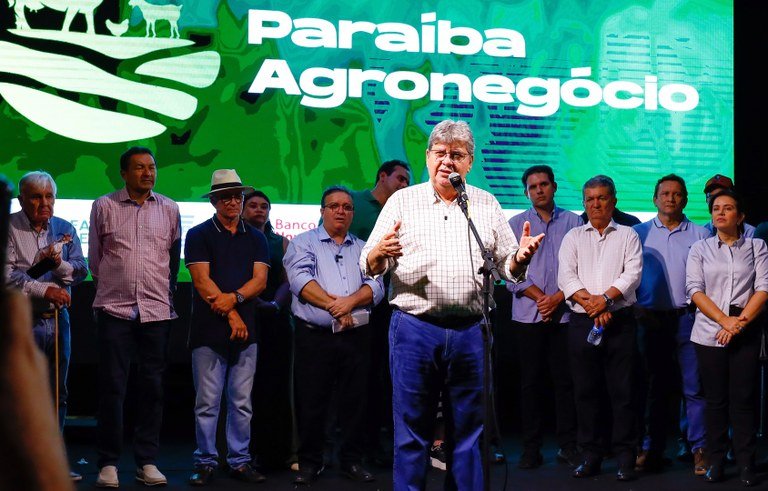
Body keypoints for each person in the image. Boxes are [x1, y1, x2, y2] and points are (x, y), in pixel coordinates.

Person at [361, 119, 544, 491]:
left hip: (471, 331)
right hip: (414, 329)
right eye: (441, 153)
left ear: (469, 162)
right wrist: (379, 252)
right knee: (411, 429)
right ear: (428, 157)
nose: (448, 161)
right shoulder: (402, 201)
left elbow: (507, 267)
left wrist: (520, 259)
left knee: (469, 432)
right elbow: (369, 262)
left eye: (457, 154)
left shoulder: (485, 203)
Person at [89, 146, 181, 488]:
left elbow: (173, 259)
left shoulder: (170, 208)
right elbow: (96, 260)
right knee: (112, 388)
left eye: (151, 167)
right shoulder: (104, 206)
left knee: (152, 388)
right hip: (115, 309)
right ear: (124, 173)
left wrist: (161, 292)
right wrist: (115, 287)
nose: (147, 173)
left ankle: (147, 461)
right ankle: (108, 463)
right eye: (140, 168)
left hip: (156, 310)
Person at [284, 186, 385, 486]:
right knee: (312, 401)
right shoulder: (303, 242)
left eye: (347, 207)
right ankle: (310, 463)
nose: (341, 211)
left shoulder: (364, 248)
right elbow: (300, 280)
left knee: (356, 402)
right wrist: (335, 307)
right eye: (334, 206)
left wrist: (348, 304)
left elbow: (377, 285)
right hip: (315, 337)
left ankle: (351, 461)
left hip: (356, 336)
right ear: (322, 211)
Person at [185, 170, 270, 486]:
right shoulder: (199, 234)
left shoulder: (257, 238)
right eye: (225, 197)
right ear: (214, 201)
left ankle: (239, 461)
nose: (233, 202)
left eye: (237, 196)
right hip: (209, 330)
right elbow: (201, 280)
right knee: (207, 402)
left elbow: (260, 281)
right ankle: (206, 461)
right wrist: (232, 314)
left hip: (247, 331)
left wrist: (233, 300)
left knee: (241, 402)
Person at [558, 175, 643, 482]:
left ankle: (625, 458)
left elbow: (632, 274)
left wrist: (605, 301)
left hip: (619, 323)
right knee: (586, 392)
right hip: (583, 322)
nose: (596, 204)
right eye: (590, 199)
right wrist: (594, 305)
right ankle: (591, 455)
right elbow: (566, 277)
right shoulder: (573, 237)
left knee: (623, 393)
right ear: (584, 203)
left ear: (613, 201)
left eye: (602, 198)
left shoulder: (628, 235)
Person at [6, 171, 88, 482]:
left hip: (56, 320)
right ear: (21, 200)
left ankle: (52, 461)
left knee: (57, 392)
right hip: (20, 322)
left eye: (49, 196)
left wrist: (58, 265)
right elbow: (7, 276)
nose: (44, 203)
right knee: (19, 390)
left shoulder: (64, 228)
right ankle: (19, 466)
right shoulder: (8, 227)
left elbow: (80, 271)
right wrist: (46, 289)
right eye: (36, 197)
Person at [686, 189, 768, 486]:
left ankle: (746, 463)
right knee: (715, 400)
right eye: (716, 208)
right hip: (709, 333)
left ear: (741, 216)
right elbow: (694, 290)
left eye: (728, 208)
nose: (720, 212)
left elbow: (763, 289)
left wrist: (738, 324)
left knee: (743, 400)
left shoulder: (757, 246)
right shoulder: (700, 248)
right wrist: (724, 321)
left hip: (745, 331)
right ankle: (716, 461)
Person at [632, 174, 709, 475]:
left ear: (685, 199)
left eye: (677, 194)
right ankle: (651, 448)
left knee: (694, 387)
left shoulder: (701, 234)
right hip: (650, 321)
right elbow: (627, 275)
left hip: (689, 320)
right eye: (665, 193)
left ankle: (699, 449)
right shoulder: (638, 233)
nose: (670, 198)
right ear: (655, 198)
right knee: (653, 388)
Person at [508, 165, 582, 469]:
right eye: (533, 186)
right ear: (526, 192)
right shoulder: (515, 224)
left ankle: (568, 446)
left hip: (565, 315)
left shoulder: (574, 221)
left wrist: (557, 298)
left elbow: (581, 267)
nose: (539, 190)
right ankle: (531, 449)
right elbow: (508, 273)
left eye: (544, 184)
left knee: (566, 383)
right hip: (529, 316)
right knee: (531, 384)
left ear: (554, 187)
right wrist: (542, 298)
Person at [241, 190, 295, 469]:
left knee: (275, 386)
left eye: (264, 206)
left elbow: (288, 280)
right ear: (242, 210)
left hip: (275, 321)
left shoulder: (281, 242)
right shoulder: (235, 240)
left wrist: (274, 304)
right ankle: (245, 452)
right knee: (246, 390)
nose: (259, 210)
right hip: (242, 320)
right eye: (252, 205)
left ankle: (278, 452)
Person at [349, 159, 411, 241]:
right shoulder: (351, 199)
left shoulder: (397, 219)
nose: (405, 185)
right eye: (401, 179)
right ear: (382, 176)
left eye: (407, 183)